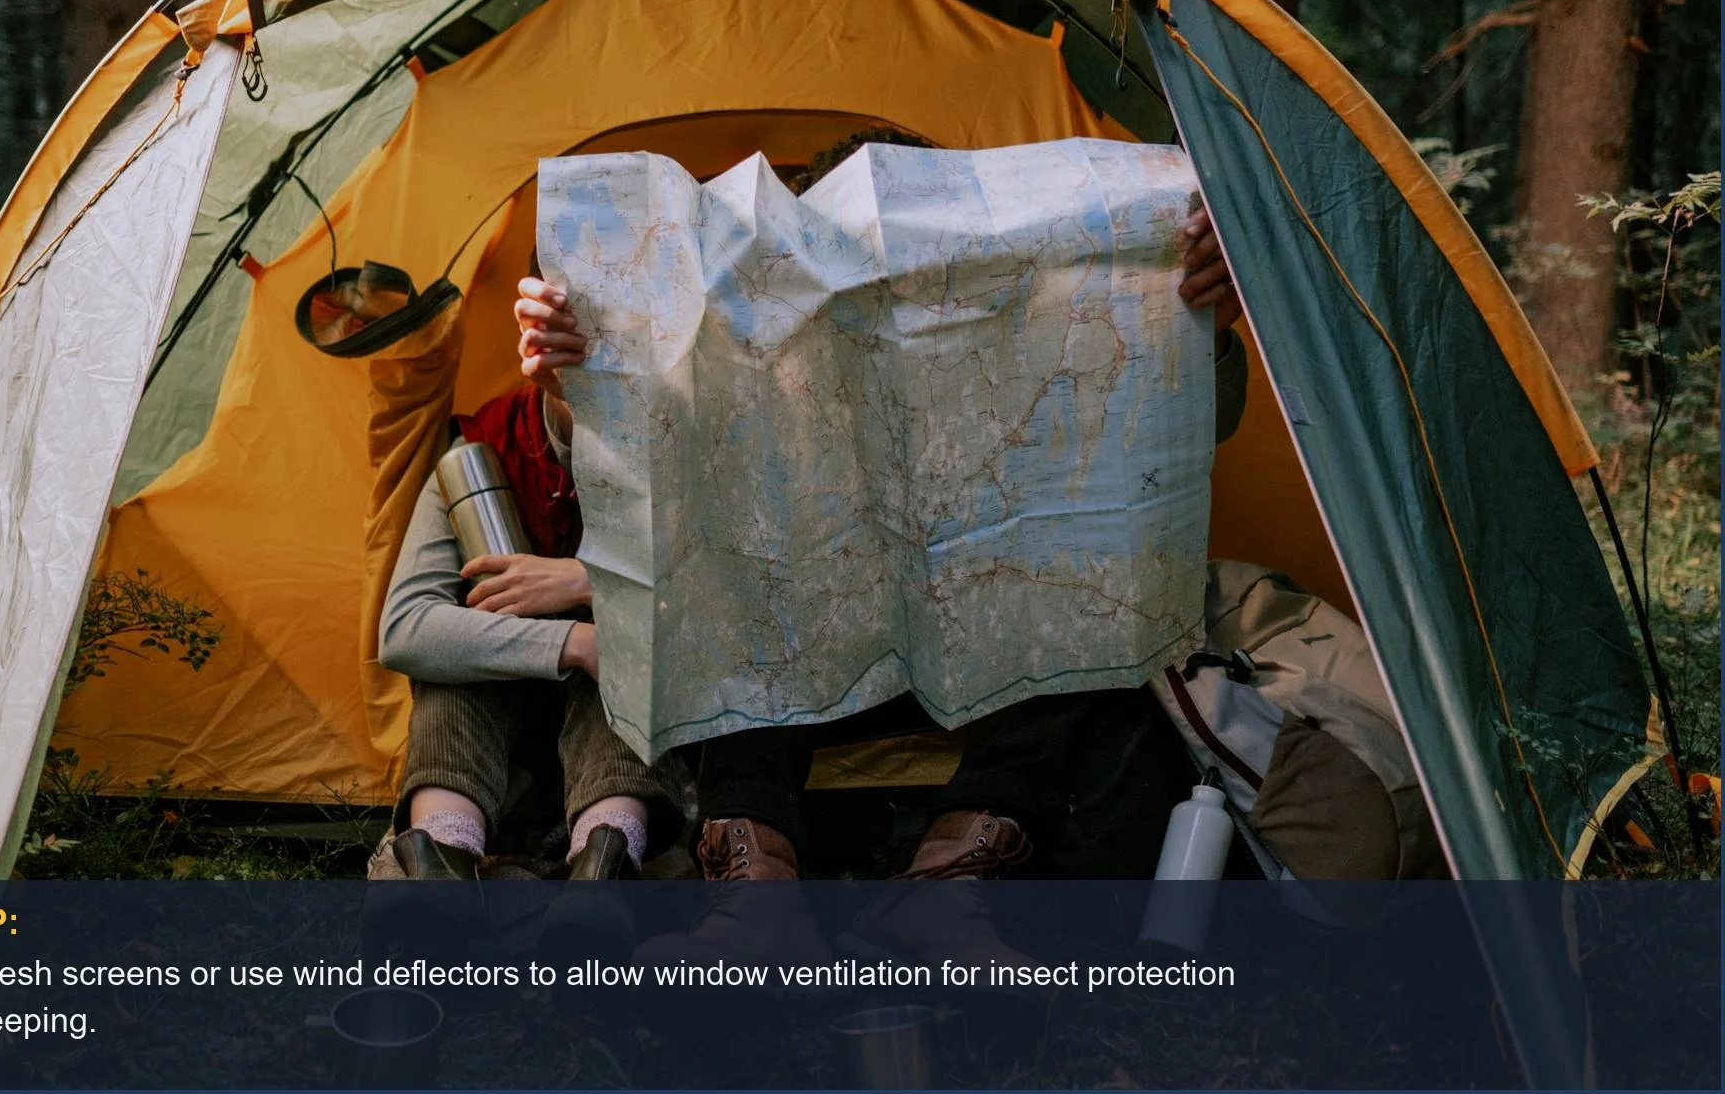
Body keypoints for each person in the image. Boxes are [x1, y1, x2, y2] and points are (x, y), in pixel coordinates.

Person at [514, 128, 1248, 965]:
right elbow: (657, 455)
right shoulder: (758, 335)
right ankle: (757, 895)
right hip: (817, 665)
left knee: (1089, 605)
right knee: (735, 574)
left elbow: (1185, 427)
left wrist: (1202, 321)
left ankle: (944, 886)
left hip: (982, 664)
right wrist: (576, 385)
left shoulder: (1017, 310)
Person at [373, 377, 682, 957]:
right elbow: (406, 628)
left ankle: (605, 857)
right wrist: (571, 641)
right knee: (452, 663)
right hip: (496, 744)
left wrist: (590, 586)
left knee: (626, 651)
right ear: (539, 357)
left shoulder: (682, 447)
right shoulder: (484, 453)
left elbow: (723, 608)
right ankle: (444, 864)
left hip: (616, 738)